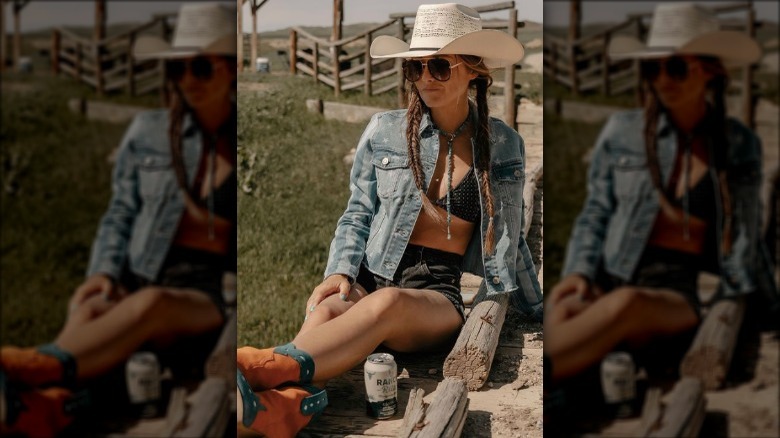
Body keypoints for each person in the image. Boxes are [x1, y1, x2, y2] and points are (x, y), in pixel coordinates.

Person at [235, 4, 542, 436]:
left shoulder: (504, 144)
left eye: (438, 66)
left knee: (388, 304)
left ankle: (250, 366)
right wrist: (340, 269)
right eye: (416, 67)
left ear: (474, 70)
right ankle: (279, 408)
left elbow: (512, 235)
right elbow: (358, 210)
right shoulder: (384, 130)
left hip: (433, 295)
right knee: (324, 311)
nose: (425, 78)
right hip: (370, 276)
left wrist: (540, 308)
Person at [0, 3, 237, 436]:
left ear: (231, 71)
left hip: (209, 295)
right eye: (177, 70)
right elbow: (120, 212)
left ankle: (26, 368)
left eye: (200, 67)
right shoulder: (149, 131)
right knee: (89, 306)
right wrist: (104, 272)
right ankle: (51, 405)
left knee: (150, 306)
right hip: (142, 273)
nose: (187, 81)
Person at [545, 2, 777, 388]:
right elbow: (596, 210)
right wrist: (579, 271)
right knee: (563, 308)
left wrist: (748, 300)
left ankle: (548, 383)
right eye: (653, 68)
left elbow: (746, 235)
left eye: (677, 67)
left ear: (711, 71)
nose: (662, 80)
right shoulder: (623, 131)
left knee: (627, 305)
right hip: (612, 273)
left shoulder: (737, 145)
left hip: (675, 293)